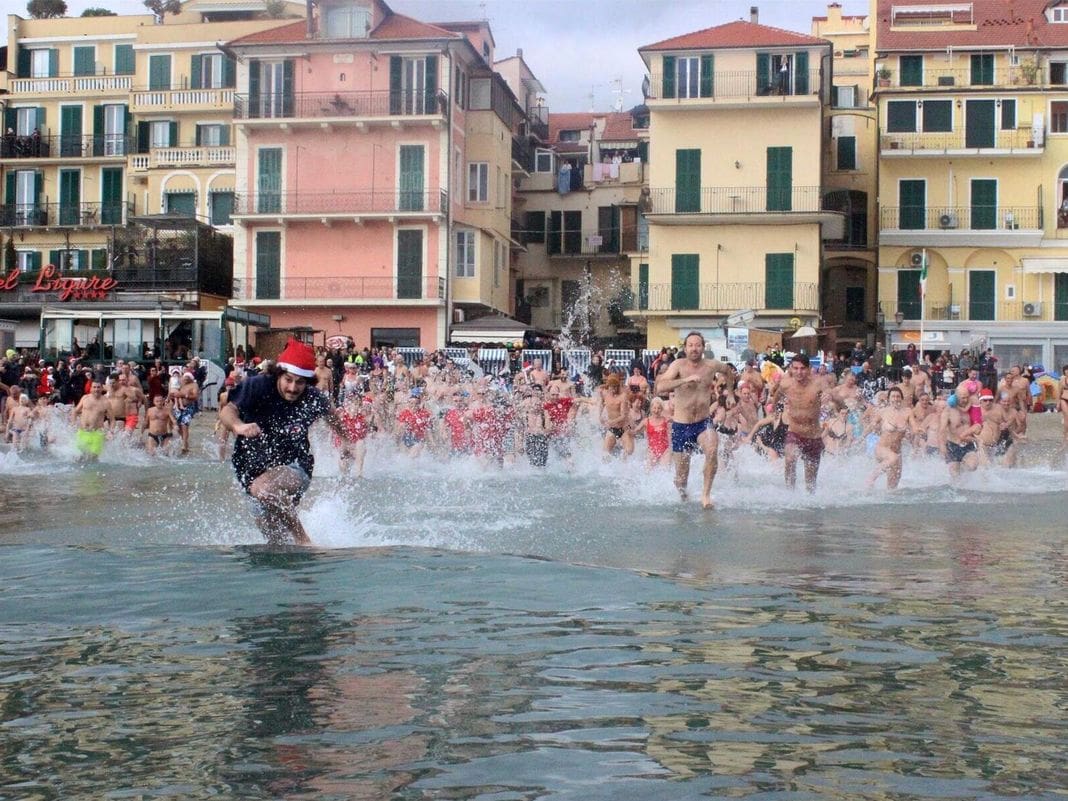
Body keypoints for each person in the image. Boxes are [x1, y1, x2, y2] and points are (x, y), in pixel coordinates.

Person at [219, 339, 357, 545]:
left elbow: (332, 416)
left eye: (300, 382)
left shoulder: (313, 397)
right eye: (288, 380)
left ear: (308, 382)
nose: (293, 388)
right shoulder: (257, 386)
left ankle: (304, 541)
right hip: (250, 469)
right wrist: (238, 426)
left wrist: (346, 442)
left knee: (265, 489)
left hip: (295, 465)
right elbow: (228, 411)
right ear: (278, 374)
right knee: (276, 542)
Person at [654, 331, 729, 508]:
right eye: (690, 345)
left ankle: (705, 496)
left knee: (712, 450)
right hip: (681, 425)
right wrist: (684, 380)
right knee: (681, 479)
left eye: (698, 345)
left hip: (703, 422)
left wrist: (731, 392)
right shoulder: (678, 366)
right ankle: (683, 495)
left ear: (703, 347)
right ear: (685, 348)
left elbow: (728, 371)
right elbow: (660, 386)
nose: (694, 348)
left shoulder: (711, 366)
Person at [773, 354, 826, 492]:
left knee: (810, 483)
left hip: (814, 436)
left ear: (809, 369)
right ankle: (790, 493)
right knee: (790, 458)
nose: (799, 372)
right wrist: (774, 409)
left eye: (802, 368)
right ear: (790, 368)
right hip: (795, 431)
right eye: (795, 368)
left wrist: (831, 398)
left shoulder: (818, 383)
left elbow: (831, 394)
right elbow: (777, 394)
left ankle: (809, 505)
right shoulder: (786, 383)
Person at [70, 378, 113, 462]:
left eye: (98, 387)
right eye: (94, 387)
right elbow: (75, 411)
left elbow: (112, 420)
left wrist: (110, 432)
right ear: (91, 388)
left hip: (97, 434)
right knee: (79, 457)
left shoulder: (106, 402)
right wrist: (73, 424)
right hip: (82, 432)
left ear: (102, 388)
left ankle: (93, 474)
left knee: (93, 458)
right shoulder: (85, 398)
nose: (96, 389)